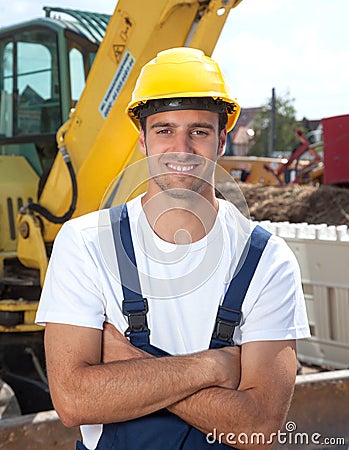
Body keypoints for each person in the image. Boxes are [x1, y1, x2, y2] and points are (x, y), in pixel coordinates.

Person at [36, 47, 310, 450]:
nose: (181, 147)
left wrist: (131, 366)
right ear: (143, 140)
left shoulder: (267, 260)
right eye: (164, 129)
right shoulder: (86, 244)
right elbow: (74, 400)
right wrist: (214, 367)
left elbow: (258, 428)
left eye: (198, 130)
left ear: (221, 141)